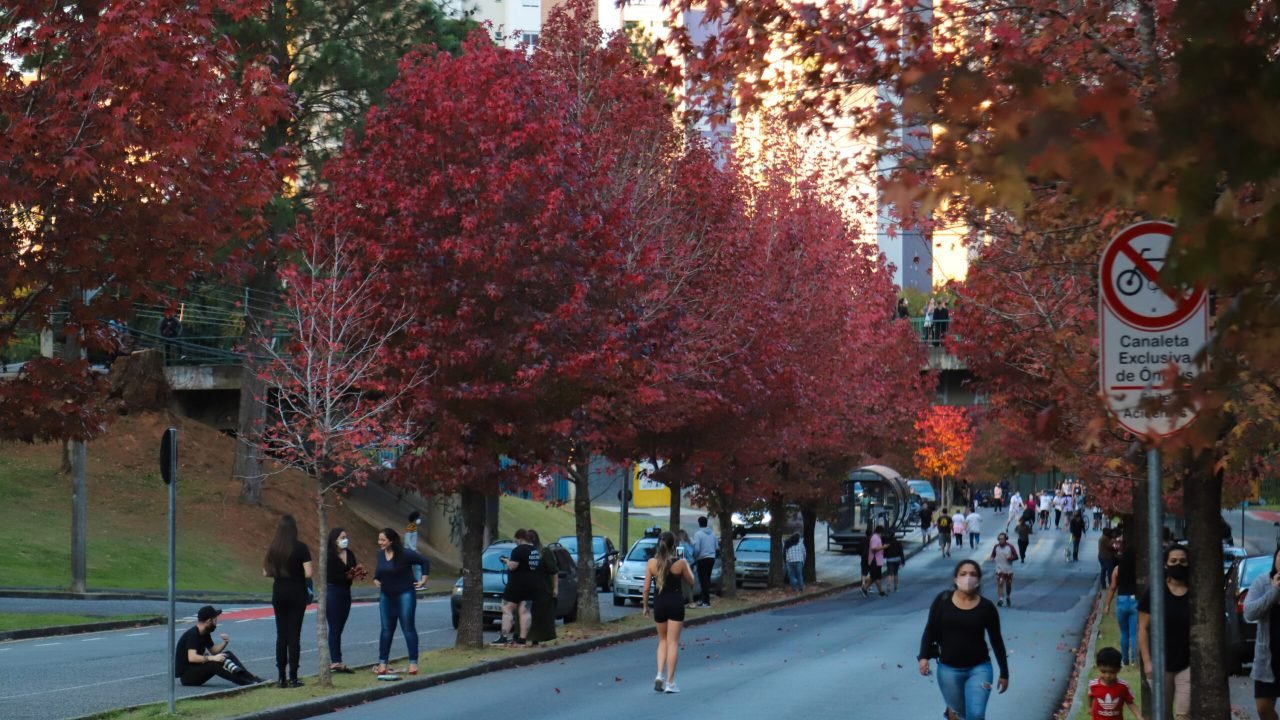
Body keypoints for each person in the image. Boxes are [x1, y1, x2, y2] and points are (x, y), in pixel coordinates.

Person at [918, 560, 1010, 720]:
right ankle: (951, 712)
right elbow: (930, 630)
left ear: (979, 580)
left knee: (975, 714)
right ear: (955, 578)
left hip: (979, 669)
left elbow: (996, 641)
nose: (968, 578)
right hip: (948, 670)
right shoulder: (942, 601)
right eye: (963, 574)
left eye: (973, 574)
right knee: (958, 715)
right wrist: (923, 657)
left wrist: (1004, 673)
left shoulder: (986, 608)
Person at [1137, 545, 1191, 720]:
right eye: (1173, 561)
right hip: (1160, 664)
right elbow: (1143, 628)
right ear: (1166, 564)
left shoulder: (1196, 595)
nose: (1178, 564)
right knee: (1163, 715)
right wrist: (1147, 662)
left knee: (1185, 714)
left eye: (1182, 561)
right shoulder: (1155, 593)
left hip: (1188, 664)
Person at [263, 514, 312, 688]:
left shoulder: (274, 548)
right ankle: (294, 676)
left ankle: (281, 677)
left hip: (279, 592)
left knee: (281, 635)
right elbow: (308, 573)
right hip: (297, 592)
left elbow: (266, 572)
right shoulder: (301, 548)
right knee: (294, 635)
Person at [642, 531, 695, 694]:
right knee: (673, 642)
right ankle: (670, 682)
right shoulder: (680, 563)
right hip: (675, 603)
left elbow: (645, 589)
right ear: (674, 546)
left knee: (662, 640)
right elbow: (691, 581)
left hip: (659, 603)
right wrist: (686, 565)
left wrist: (645, 606)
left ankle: (659, 674)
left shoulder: (651, 563)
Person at [373, 527, 430, 673]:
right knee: (386, 629)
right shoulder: (380, 554)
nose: (380, 542)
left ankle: (413, 663)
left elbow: (424, 561)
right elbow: (379, 572)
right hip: (386, 595)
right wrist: (375, 579)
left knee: (408, 627)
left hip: (405, 594)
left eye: (383, 540)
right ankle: (382, 663)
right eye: (379, 539)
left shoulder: (405, 554)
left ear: (391, 541)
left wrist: (423, 580)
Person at [174, 606, 264, 687]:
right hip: (187, 676)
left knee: (227, 654)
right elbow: (192, 658)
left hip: (197, 669)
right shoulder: (193, 635)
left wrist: (224, 642)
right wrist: (212, 658)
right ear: (209, 621)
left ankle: (250, 677)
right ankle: (243, 682)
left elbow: (214, 651)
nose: (216, 623)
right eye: (215, 620)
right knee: (213, 664)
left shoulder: (205, 633)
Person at [1244, 548, 1280, 720]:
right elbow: (1249, 613)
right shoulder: (1262, 582)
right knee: (1263, 709)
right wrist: (1273, 592)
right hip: (1268, 660)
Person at [325, 527, 362, 673]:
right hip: (333, 591)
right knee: (334, 627)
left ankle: (337, 660)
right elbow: (330, 576)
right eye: (342, 537)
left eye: (346, 537)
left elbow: (353, 570)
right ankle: (336, 660)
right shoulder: (329, 556)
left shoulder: (350, 553)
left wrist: (357, 573)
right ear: (335, 540)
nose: (345, 540)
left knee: (340, 627)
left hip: (346, 591)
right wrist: (346, 576)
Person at [495, 528, 538, 647]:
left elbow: (513, 566)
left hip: (516, 585)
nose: (516, 542)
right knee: (525, 612)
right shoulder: (534, 550)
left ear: (519, 539)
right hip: (530, 585)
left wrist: (506, 561)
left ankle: (504, 637)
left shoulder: (518, 550)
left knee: (507, 609)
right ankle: (522, 640)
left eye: (516, 540)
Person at [1104, 542, 1139, 667]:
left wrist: (1107, 604)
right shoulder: (1138, 569)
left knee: (1124, 633)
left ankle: (1125, 660)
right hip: (1135, 600)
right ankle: (1135, 659)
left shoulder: (1117, 569)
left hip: (1122, 600)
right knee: (1134, 633)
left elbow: (1112, 588)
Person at [1088, 647, 1142, 720]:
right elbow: (1090, 695)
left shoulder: (1123, 686)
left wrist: (1139, 716)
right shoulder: (1093, 685)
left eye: (1112, 672)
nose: (1107, 675)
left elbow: (1130, 702)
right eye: (1103, 672)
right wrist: (1090, 707)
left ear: (1119, 669)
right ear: (1098, 668)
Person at [526, 529, 559, 645]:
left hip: (542, 589)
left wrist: (555, 588)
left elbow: (553, 571)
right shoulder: (525, 552)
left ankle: (537, 638)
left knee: (540, 615)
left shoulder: (544, 552)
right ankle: (526, 637)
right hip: (528, 589)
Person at [691, 516, 718, 608]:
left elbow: (697, 548)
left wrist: (695, 556)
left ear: (699, 523)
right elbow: (716, 547)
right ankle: (703, 599)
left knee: (703, 580)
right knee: (707, 579)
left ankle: (706, 601)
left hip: (702, 558)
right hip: (711, 558)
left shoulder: (698, 534)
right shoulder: (713, 534)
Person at [862, 525, 887, 597]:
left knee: (874, 577)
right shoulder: (875, 538)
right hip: (875, 560)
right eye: (882, 533)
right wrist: (883, 547)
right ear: (880, 532)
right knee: (876, 576)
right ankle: (880, 591)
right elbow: (873, 549)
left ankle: (866, 588)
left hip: (877, 560)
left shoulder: (876, 538)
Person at [404, 511, 423, 585]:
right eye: (418, 518)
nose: (419, 520)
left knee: (414, 567)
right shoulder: (410, 527)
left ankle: (415, 582)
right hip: (410, 551)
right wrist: (414, 550)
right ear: (415, 519)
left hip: (410, 550)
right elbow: (407, 540)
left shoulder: (413, 526)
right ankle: (418, 583)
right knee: (417, 567)